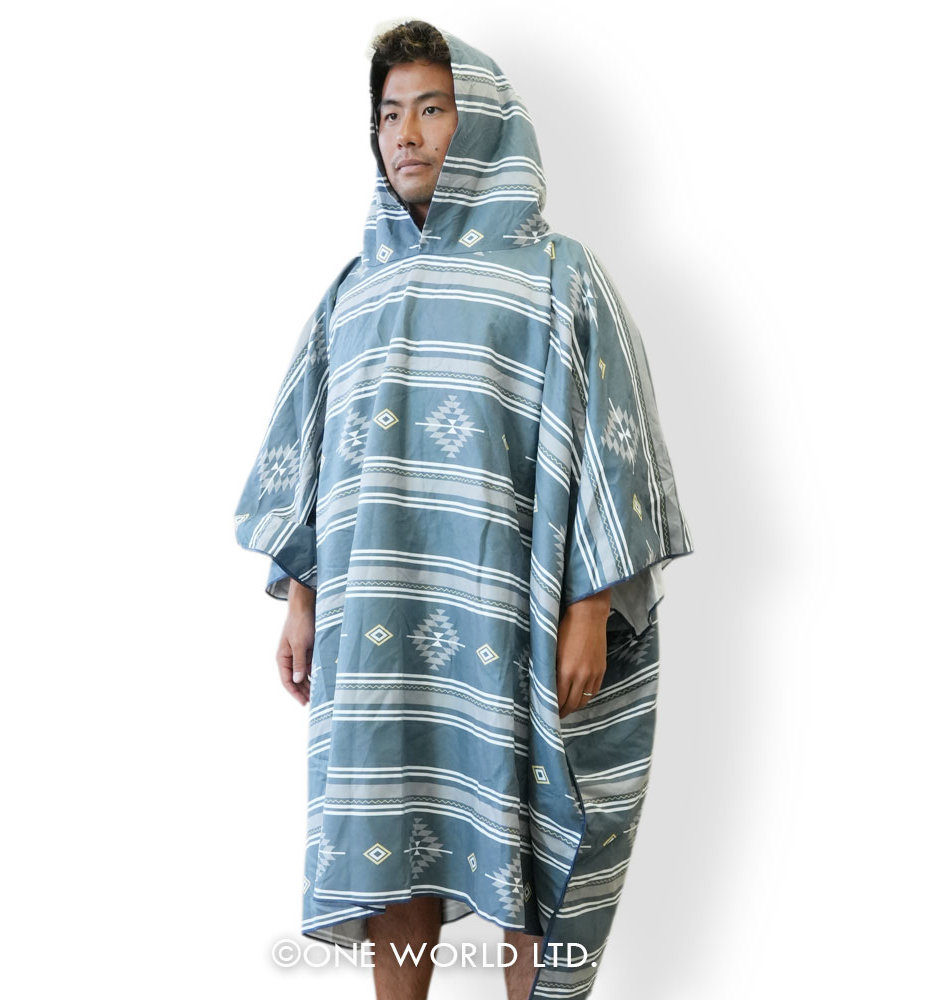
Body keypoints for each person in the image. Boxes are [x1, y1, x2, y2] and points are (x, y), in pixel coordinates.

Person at [233, 20, 694, 1000]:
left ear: (481, 121)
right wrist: (301, 598)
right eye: (389, 114)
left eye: (431, 109)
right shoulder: (352, 292)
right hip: (376, 622)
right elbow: (311, 454)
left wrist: (589, 607)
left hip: (509, 615)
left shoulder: (558, 274)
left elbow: (613, 438)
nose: (405, 134)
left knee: (523, 822)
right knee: (386, 815)